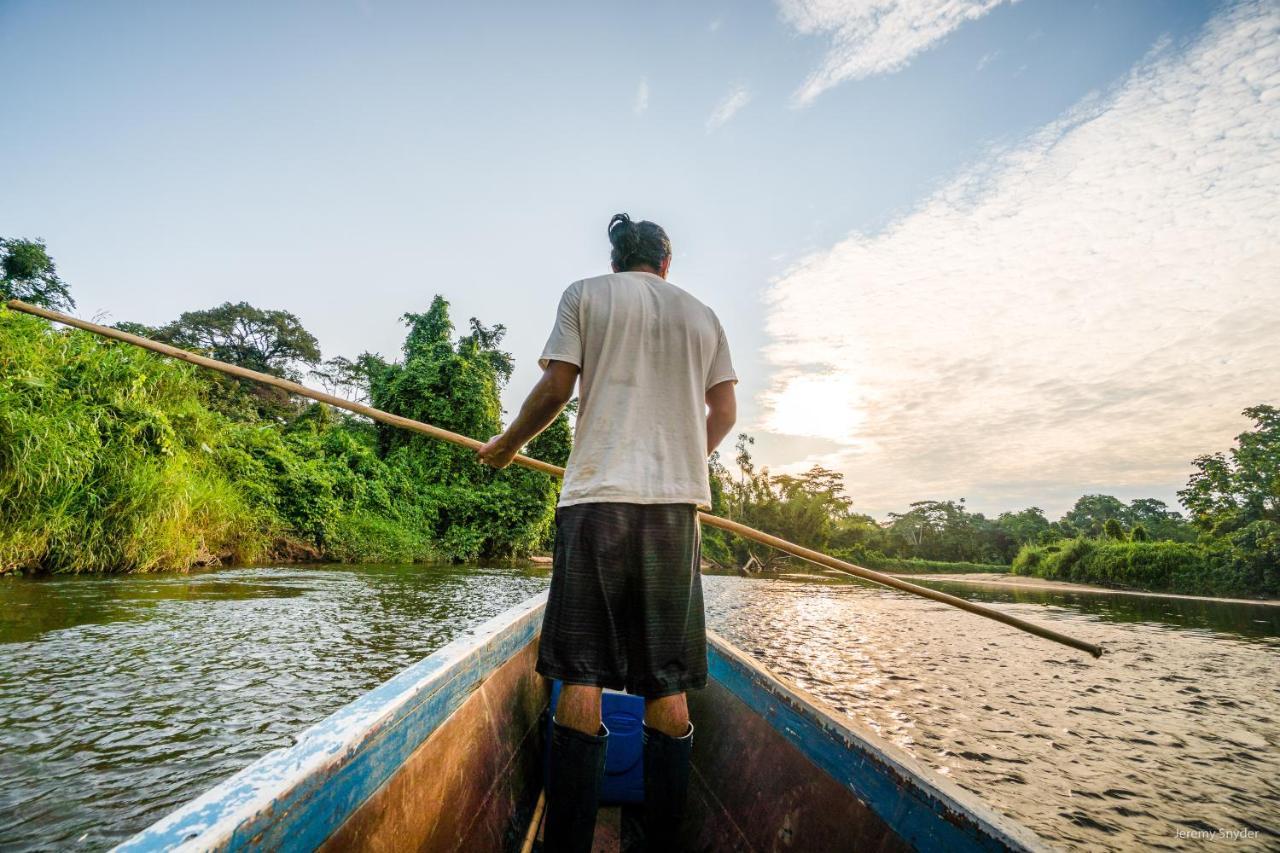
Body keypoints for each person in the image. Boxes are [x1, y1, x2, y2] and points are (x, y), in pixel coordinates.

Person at [477, 213, 737, 851]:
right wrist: (681, 460)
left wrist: (509, 444)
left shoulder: (586, 294)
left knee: (582, 670)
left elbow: (557, 385)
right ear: (666, 263)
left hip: (597, 501)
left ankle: (565, 843)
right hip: (674, 513)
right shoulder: (703, 315)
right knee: (667, 681)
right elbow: (725, 411)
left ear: (617, 258)